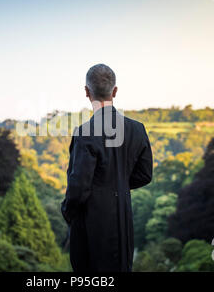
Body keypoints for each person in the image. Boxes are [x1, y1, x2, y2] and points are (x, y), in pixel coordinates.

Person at [61, 64, 153, 272]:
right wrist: (118, 183)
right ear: (115, 91)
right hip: (123, 223)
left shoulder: (85, 132)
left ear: (86, 92)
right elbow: (145, 174)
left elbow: (78, 187)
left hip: (90, 225)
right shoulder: (137, 129)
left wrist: (67, 211)